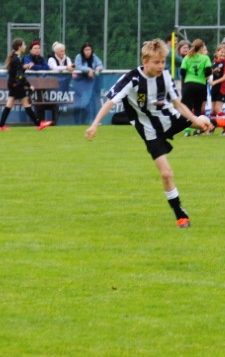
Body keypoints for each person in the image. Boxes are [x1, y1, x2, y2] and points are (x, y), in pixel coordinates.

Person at [85, 39, 213, 228]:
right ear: (145, 61)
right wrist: (95, 125)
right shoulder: (132, 79)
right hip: (150, 132)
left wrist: (195, 120)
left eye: (163, 62)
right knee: (166, 174)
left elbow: (178, 104)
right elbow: (110, 102)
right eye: (156, 62)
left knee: (203, 122)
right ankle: (180, 214)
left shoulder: (165, 76)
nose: (161, 66)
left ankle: (213, 121)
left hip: (170, 119)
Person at [0, 39, 52, 131]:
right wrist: (29, 85)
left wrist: (24, 67)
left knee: (9, 105)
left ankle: (0, 126)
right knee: (26, 104)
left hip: (13, 84)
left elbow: (17, 71)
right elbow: (20, 75)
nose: (25, 46)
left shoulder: (15, 58)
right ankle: (39, 124)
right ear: (19, 47)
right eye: (24, 45)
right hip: (17, 85)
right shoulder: (17, 59)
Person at [179, 38, 211, 118]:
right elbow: (208, 71)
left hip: (188, 84)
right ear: (201, 47)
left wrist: (188, 78)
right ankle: (197, 125)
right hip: (200, 85)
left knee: (187, 108)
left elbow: (182, 71)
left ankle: (186, 125)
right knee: (197, 109)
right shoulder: (205, 58)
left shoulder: (187, 57)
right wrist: (202, 76)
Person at [73, 42, 104, 124]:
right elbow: (78, 66)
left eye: (89, 49)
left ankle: (94, 120)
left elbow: (100, 64)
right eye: (86, 50)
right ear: (83, 50)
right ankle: (81, 122)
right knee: (84, 103)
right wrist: (88, 69)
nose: (88, 51)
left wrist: (98, 68)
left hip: (92, 83)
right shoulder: (79, 57)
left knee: (93, 102)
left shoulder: (94, 56)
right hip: (81, 84)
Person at [208, 43, 225, 134]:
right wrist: (213, 71)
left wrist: (214, 82)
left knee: (218, 108)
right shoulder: (215, 62)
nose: (223, 54)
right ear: (217, 52)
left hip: (222, 88)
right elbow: (209, 73)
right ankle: (211, 129)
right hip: (214, 88)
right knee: (212, 110)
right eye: (221, 52)